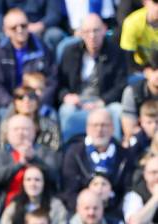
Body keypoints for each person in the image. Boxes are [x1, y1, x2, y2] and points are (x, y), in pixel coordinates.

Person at [58, 14, 127, 143]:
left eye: (96, 30)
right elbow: (59, 83)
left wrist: (102, 101)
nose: (92, 35)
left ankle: (114, 149)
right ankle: (68, 149)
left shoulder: (116, 53)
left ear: (104, 30)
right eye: (87, 31)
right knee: (66, 111)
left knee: (117, 110)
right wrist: (66, 96)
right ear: (81, 33)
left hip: (103, 100)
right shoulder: (69, 52)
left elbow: (121, 84)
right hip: (77, 100)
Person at [61, 108, 132, 212]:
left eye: (104, 125)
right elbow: (69, 191)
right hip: (81, 214)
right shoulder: (74, 153)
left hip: (114, 214)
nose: (99, 129)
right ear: (87, 128)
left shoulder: (124, 156)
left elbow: (126, 191)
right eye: (95, 125)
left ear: (112, 128)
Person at [0, 8, 57, 110]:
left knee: (52, 121)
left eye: (23, 26)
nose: (19, 30)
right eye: (14, 28)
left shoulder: (42, 48)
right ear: (5, 31)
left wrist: (37, 103)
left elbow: (51, 81)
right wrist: (12, 104)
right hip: (10, 104)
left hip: (38, 104)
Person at [0, 114, 60, 208]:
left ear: (34, 132)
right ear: (7, 134)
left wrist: (34, 158)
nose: (20, 133)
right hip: (9, 205)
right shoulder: (0, 154)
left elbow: (54, 177)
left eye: (25, 129)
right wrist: (20, 163)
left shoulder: (45, 152)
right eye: (16, 129)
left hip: (42, 205)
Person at [0, 164, 67, 224]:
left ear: (44, 183)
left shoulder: (57, 206)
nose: (33, 184)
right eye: (28, 180)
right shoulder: (13, 207)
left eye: (37, 180)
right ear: (23, 183)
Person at [0, 85, 61, 152]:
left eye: (31, 97)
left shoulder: (50, 125)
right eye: (20, 97)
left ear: (37, 102)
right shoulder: (7, 125)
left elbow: (54, 150)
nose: (26, 100)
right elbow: (4, 150)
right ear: (15, 103)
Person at [121, 54, 158, 143]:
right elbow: (129, 131)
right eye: (154, 70)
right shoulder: (132, 92)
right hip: (141, 142)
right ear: (145, 72)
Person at [120, 0, 158, 70]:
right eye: (155, 2)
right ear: (145, 2)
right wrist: (148, 73)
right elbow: (126, 58)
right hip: (139, 69)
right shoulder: (132, 23)